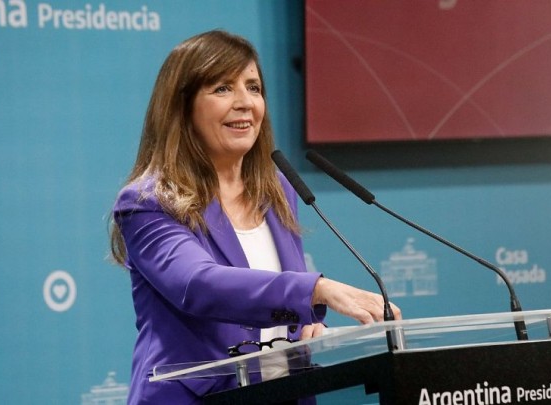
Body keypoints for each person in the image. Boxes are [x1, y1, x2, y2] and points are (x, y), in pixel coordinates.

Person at [109, 30, 401, 404]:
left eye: (253, 87)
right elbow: (199, 285)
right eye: (222, 89)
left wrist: (309, 325)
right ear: (182, 107)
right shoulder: (148, 202)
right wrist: (315, 290)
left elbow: (280, 301)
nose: (245, 102)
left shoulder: (277, 188)